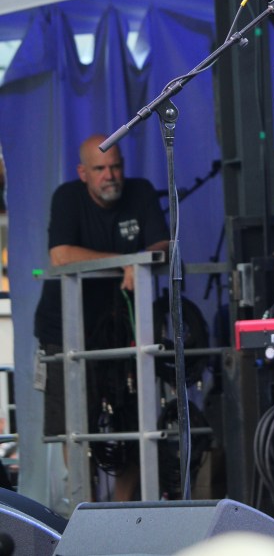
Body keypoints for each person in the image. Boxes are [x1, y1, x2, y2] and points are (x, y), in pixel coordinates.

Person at [34, 134, 170, 502]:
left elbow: (162, 245)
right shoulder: (67, 197)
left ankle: (123, 511)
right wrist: (124, 262)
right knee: (75, 425)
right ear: (83, 173)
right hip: (66, 329)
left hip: (123, 325)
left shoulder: (140, 192)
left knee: (137, 419)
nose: (110, 175)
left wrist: (140, 260)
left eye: (115, 167)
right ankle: (87, 509)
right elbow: (60, 255)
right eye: (100, 169)